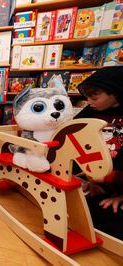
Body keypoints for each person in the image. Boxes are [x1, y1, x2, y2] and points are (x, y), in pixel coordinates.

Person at [75, 66, 123, 240]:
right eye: (87, 97)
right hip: (95, 180)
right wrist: (87, 176)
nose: (89, 101)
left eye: (94, 97)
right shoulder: (91, 110)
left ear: (116, 94)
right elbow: (74, 133)